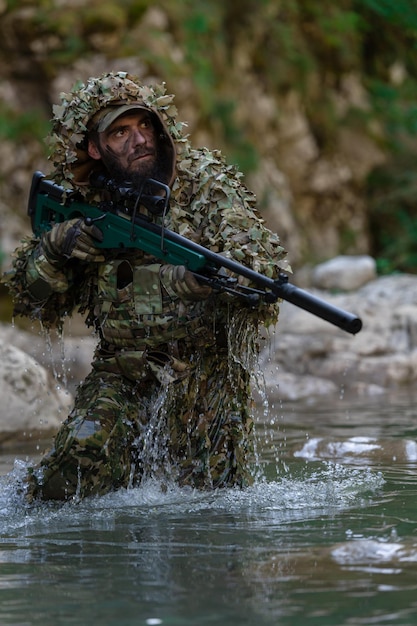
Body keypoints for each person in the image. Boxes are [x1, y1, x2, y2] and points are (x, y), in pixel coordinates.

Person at [5, 71, 288, 501]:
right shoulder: (83, 203)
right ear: (94, 148)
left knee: (209, 509)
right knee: (59, 489)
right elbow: (30, 298)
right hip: (122, 371)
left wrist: (190, 284)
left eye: (145, 126)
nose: (140, 140)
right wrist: (55, 249)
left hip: (207, 375)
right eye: (121, 132)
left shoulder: (205, 183)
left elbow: (252, 269)